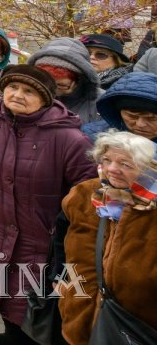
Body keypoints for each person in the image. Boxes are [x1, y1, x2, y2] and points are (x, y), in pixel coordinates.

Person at [0, 65, 97, 344]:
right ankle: (10, 336)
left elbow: (86, 198)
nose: (18, 95)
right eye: (12, 87)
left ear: (46, 98)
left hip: (39, 235)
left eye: (29, 91)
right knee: (1, 286)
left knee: (31, 298)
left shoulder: (69, 139)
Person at [59, 130, 157, 345]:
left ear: (149, 170)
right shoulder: (86, 194)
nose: (113, 169)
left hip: (132, 328)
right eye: (107, 160)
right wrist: (60, 283)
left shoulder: (152, 211)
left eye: (126, 165)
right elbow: (60, 240)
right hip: (79, 316)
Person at [27, 37, 102, 126]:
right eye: (44, 83)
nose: (51, 91)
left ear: (79, 80)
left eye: (60, 85)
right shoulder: (22, 94)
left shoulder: (102, 102)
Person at [87, 71, 157, 143]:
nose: (140, 124)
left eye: (152, 119)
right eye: (132, 116)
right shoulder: (91, 136)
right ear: (118, 112)